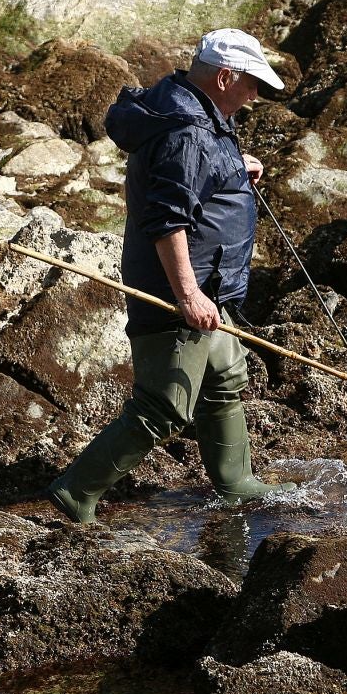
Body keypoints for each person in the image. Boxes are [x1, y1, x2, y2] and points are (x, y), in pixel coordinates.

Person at [47, 28, 295, 525]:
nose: (254, 96)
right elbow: (168, 220)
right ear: (225, 76)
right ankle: (77, 492)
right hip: (178, 289)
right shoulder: (188, 131)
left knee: (225, 376)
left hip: (209, 284)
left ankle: (236, 483)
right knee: (165, 406)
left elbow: (192, 173)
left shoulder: (193, 110)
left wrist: (230, 167)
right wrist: (188, 295)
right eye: (251, 84)